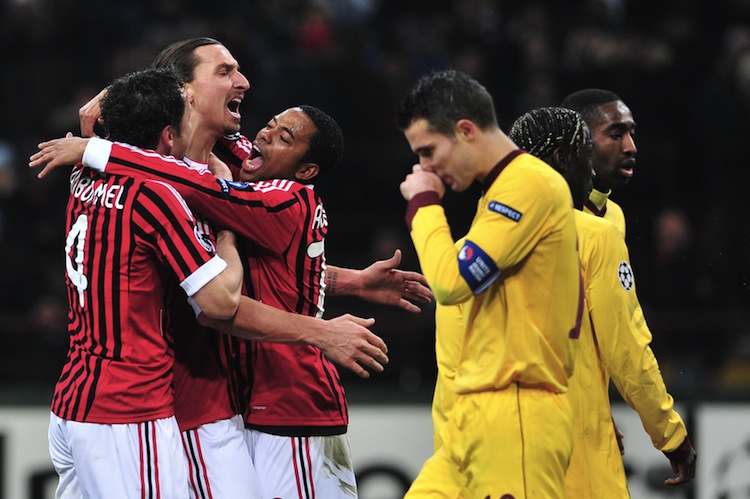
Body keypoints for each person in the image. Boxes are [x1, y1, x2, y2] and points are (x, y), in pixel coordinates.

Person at [68, 37, 430, 498]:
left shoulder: (250, 183)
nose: (244, 84)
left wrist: (93, 147)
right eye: (224, 72)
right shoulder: (166, 185)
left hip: (247, 405)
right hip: (180, 408)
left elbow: (246, 231)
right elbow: (224, 300)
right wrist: (334, 309)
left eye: (284, 137)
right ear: (186, 92)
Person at [45, 66, 246, 499]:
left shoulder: (82, 173)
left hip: (73, 401)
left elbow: (96, 119)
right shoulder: (155, 195)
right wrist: (228, 229)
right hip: (127, 408)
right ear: (169, 136)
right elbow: (221, 302)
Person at [396, 68, 582, 498]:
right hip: (477, 414)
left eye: (429, 151)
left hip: (516, 412)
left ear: (465, 130)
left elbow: (449, 283)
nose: (425, 167)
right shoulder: (501, 192)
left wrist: (423, 204)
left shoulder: (528, 185)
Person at [508, 106, 696, 497]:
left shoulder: (472, 246)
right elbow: (625, 347)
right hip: (572, 446)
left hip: (492, 446)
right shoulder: (595, 235)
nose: (591, 170)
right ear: (565, 158)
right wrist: (670, 434)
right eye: (586, 155)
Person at [560, 88, 637, 237]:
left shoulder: (616, 214)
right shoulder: (553, 215)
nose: (631, 148)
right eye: (616, 135)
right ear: (579, 141)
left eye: (631, 134)